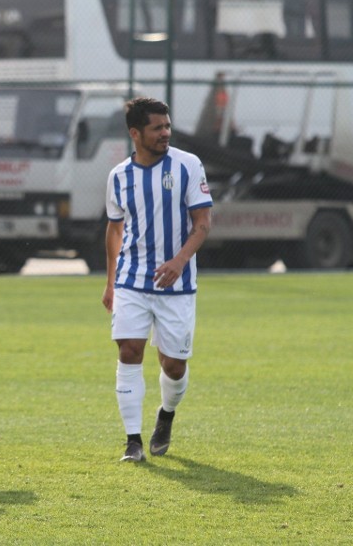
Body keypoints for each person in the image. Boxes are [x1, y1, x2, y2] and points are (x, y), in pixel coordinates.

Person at [101, 97, 212, 463]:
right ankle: (132, 441)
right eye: (157, 127)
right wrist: (110, 282)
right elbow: (115, 230)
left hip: (176, 285)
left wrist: (179, 262)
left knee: (173, 366)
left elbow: (202, 224)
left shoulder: (187, 166)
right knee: (129, 351)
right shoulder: (119, 176)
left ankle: (165, 415)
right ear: (136, 133)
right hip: (132, 280)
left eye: (167, 126)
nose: (165, 132)